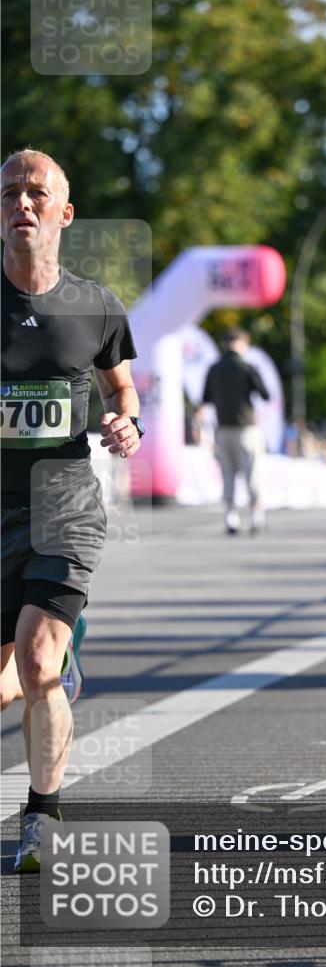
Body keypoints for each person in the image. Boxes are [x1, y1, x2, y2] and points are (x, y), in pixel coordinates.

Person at [1, 149, 142, 872]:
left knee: (37, 659)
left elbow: (122, 389)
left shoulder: (94, 306)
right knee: (12, 680)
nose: (21, 204)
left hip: (64, 507)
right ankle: (59, 666)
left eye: (36, 193)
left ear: (64, 212)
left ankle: (42, 817)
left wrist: (127, 423)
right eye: (9, 195)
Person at [196, 328, 269, 534]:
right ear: (241, 343)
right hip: (246, 428)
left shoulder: (214, 369)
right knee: (252, 473)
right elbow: (265, 394)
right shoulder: (247, 367)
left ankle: (231, 517)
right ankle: (256, 518)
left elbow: (206, 398)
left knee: (227, 473)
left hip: (223, 429)